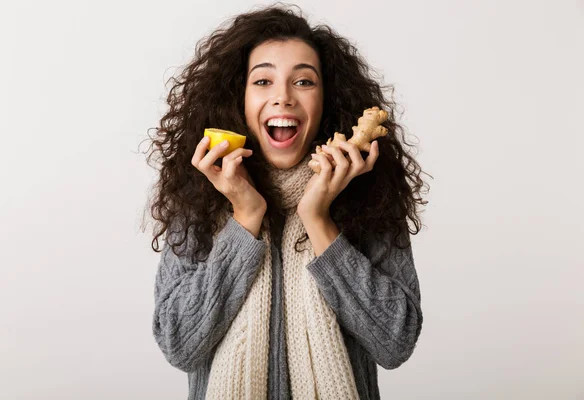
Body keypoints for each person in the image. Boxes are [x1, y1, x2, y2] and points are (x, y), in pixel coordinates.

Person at [146, 4, 429, 399]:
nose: (283, 98)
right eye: (263, 82)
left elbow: (395, 342)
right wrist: (244, 218)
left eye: (304, 82)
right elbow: (179, 343)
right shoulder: (199, 196)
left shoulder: (369, 194)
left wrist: (318, 219)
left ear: (327, 99)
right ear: (237, 98)